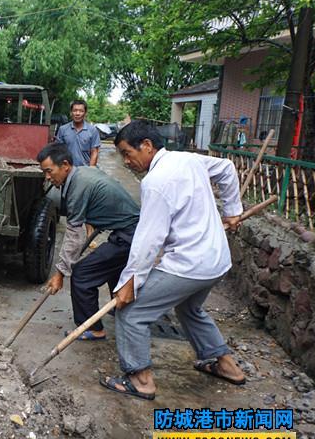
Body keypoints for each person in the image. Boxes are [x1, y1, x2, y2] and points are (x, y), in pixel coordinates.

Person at [101, 121, 246, 400]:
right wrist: (232, 209)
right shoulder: (188, 159)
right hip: (217, 260)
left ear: (146, 145)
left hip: (190, 265)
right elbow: (227, 168)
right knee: (190, 308)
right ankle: (227, 366)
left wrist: (130, 281)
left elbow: (148, 240)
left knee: (131, 314)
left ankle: (140, 381)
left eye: (127, 153)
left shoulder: (155, 182)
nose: (126, 161)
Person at [38, 143, 140, 340]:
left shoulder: (78, 187)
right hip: (130, 232)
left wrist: (60, 273)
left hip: (130, 236)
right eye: (44, 172)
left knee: (82, 274)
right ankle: (124, 311)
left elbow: (74, 237)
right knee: (113, 269)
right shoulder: (83, 173)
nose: (47, 177)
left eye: (49, 171)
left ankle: (93, 328)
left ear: (65, 165)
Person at [54, 99, 101, 167]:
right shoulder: (63, 129)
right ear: (71, 113)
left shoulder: (92, 130)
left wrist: (90, 170)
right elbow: (58, 150)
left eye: (81, 111)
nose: (77, 113)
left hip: (85, 169)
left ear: (85, 113)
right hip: (67, 169)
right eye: (75, 110)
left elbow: (94, 152)